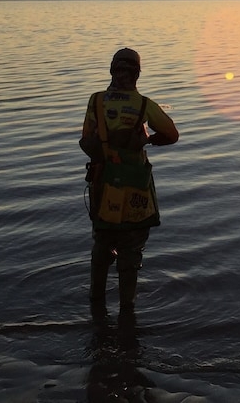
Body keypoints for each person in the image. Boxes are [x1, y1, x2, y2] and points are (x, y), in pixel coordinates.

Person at [80, 47, 179, 312]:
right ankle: (127, 310)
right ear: (137, 74)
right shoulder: (144, 105)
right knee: (131, 251)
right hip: (135, 187)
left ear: (112, 69)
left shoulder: (96, 101)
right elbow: (171, 134)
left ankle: (96, 304)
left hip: (102, 187)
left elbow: (86, 142)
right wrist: (146, 139)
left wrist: (107, 147)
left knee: (102, 246)